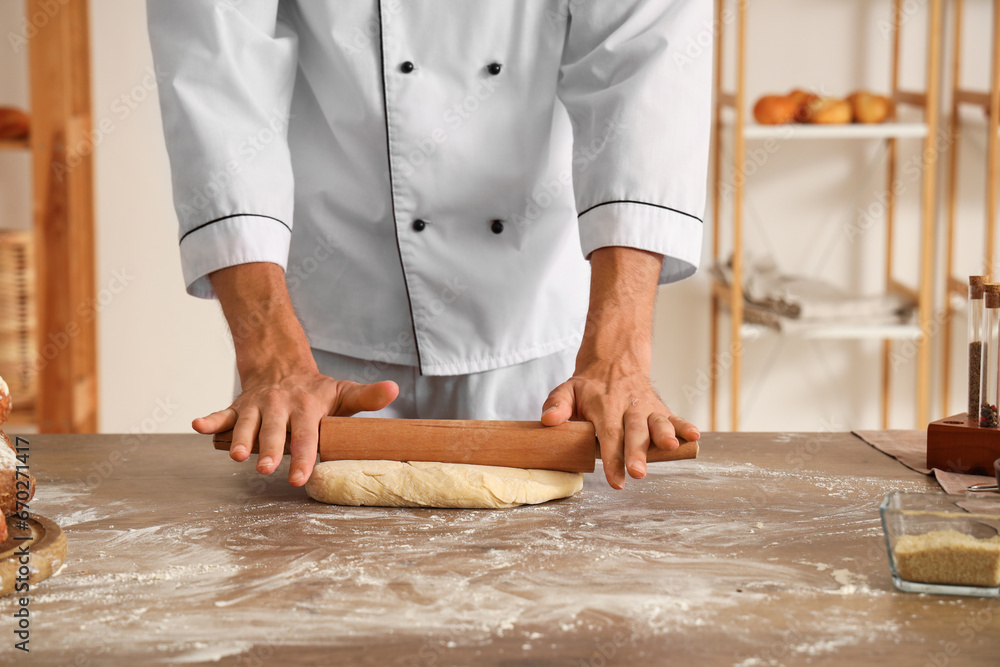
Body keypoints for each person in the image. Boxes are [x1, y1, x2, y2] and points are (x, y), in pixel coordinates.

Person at [147, 0, 711, 490]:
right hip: (319, 357)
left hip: (541, 352)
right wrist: (270, 355)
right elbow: (218, 81)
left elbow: (645, 80)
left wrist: (618, 356)